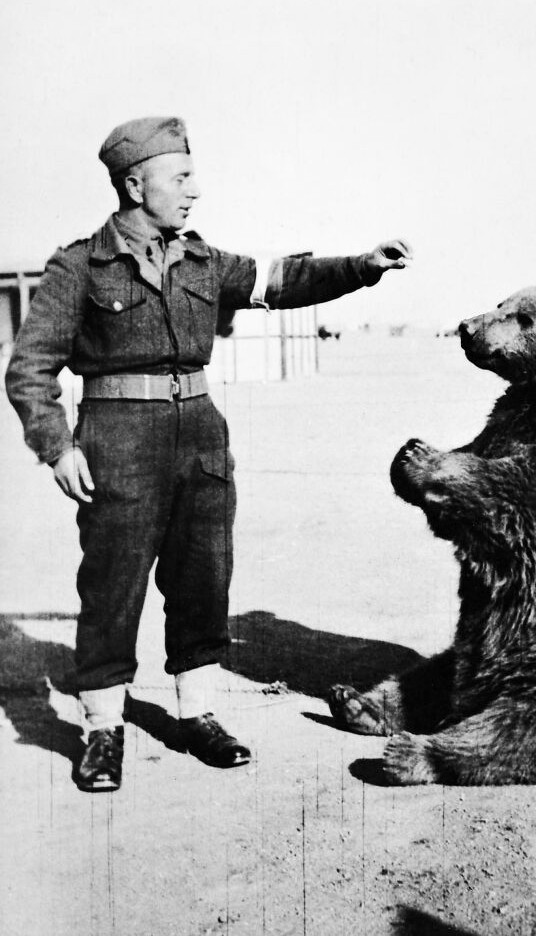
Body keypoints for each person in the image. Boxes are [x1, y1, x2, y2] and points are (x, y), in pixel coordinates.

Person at [5, 116, 412, 792]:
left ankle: (199, 713)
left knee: (203, 578)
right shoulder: (78, 266)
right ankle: (103, 730)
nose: (196, 190)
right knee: (113, 586)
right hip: (117, 438)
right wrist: (57, 447)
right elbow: (30, 369)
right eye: (182, 177)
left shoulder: (203, 260)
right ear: (136, 184)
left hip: (200, 437)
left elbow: (283, 280)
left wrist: (362, 268)